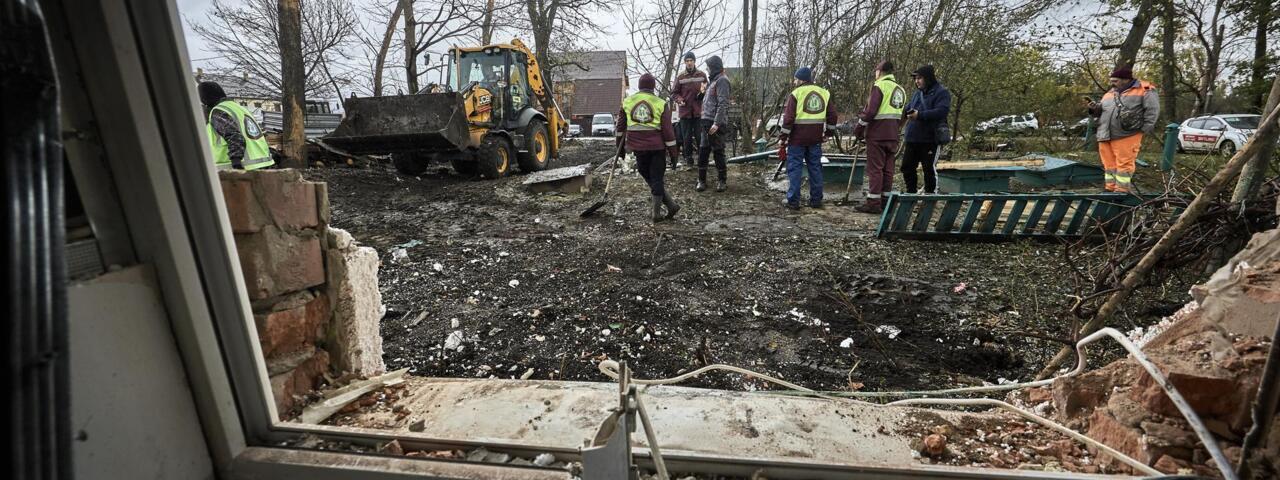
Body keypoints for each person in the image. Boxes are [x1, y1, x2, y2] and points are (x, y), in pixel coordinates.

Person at [617, 73, 681, 222]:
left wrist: (619, 149)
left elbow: (620, 128)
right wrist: (673, 153)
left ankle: (669, 206)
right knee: (656, 178)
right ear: (653, 87)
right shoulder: (660, 103)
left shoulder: (627, 102)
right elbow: (668, 132)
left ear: (639, 86)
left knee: (648, 175)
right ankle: (658, 213)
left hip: (638, 148)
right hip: (656, 148)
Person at [1087, 65, 1158, 193]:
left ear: (1125, 79)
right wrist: (1094, 108)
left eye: (1115, 81)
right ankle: (1110, 189)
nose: (1112, 84)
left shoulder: (1145, 89)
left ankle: (1121, 190)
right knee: (1109, 165)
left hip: (1127, 133)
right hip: (1105, 133)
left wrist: (1145, 129)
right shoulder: (1110, 93)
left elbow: (1152, 110)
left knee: (1124, 163)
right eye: (1112, 81)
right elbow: (1103, 110)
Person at [779, 66, 837, 209]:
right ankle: (816, 200)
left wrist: (783, 138)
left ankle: (793, 201)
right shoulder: (824, 93)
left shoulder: (796, 94)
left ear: (800, 80)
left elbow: (788, 119)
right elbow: (833, 116)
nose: (794, 81)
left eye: (796, 79)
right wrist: (828, 134)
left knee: (795, 169)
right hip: (815, 139)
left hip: (797, 140)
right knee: (815, 168)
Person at [852, 60, 906, 213]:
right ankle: (885, 202)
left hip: (877, 134)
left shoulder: (879, 86)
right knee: (888, 169)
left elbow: (870, 112)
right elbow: (902, 114)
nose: (875, 73)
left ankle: (873, 204)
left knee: (875, 169)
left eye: (876, 71)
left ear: (880, 71)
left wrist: (859, 128)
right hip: (893, 135)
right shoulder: (900, 89)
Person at [199, 81, 274, 170]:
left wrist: (236, 161)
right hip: (261, 162)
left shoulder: (218, 111)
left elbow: (234, 136)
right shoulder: (238, 108)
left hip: (243, 167)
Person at [901, 65, 951, 194]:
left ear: (928, 78)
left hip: (930, 138)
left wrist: (920, 115)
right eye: (915, 78)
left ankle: (930, 195)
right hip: (912, 137)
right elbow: (908, 108)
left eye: (919, 78)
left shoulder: (941, 92)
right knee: (907, 167)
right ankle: (910, 193)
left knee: (928, 169)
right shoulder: (917, 94)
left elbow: (942, 111)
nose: (917, 81)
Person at [697, 55, 730, 192]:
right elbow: (707, 100)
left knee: (718, 151)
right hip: (706, 121)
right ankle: (701, 180)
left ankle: (722, 181)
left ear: (714, 67)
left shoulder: (722, 80)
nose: (707, 70)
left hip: (715, 123)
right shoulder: (713, 81)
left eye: (709, 68)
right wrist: (702, 93)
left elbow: (722, 104)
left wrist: (716, 123)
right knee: (703, 151)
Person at [670, 51, 707, 170]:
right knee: (686, 138)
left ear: (694, 61)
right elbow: (674, 93)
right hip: (685, 112)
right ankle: (689, 161)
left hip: (698, 112)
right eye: (687, 61)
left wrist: (703, 93)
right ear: (685, 62)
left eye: (691, 60)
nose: (689, 63)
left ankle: (702, 160)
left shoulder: (701, 75)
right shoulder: (681, 77)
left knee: (699, 137)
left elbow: (707, 88)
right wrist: (679, 100)